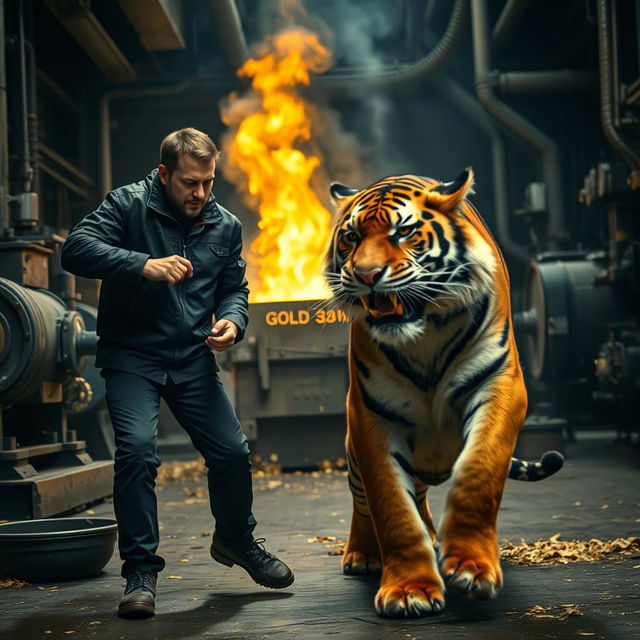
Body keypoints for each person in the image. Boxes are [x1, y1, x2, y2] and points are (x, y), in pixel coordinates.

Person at [61, 127, 294, 619]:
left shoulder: (224, 225)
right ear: (164, 174)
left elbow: (235, 287)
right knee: (138, 454)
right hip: (131, 356)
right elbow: (75, 249)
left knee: (232, 453)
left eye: (208, 182)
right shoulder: (127, 205)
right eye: (190, 183)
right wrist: (141, 264)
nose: (200, 193)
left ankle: (235, 540)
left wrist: (233, 320)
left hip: (192, 356)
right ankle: (140, 573)